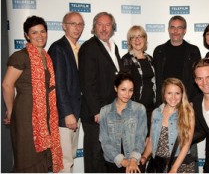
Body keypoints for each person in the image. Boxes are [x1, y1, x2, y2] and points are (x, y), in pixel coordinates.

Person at [2, 15, 63, 172]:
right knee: (28, 156)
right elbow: (7, 85)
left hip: (45, 114)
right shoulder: (20, 56)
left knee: (42, 156)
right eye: (34, 32)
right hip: (26, 113)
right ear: (26, 35)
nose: (40, 36)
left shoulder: (46, 57)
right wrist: (10, 111)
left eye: (43, 31)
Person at [78, 11, 122, 172]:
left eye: (108, 25)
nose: (104, 28)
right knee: (95, 155)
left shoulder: (113, 46)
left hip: (112, 111)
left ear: (112, 27)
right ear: (94, 26)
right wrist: (97, 111)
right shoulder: (89, 48)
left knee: (108, 155)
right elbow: (87, 83)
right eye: (100, 24)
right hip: (96, 114)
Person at [48, 12, 84, 172]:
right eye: (72, 24)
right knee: (64, 160)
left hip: (76, 113)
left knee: (70, 157)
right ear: (64, 26)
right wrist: (67, 113)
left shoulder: (78, 48)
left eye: (80, 24)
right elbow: (58, 85)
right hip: (65, 116)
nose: (77, 28)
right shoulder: (58, 48)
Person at [141, 78, 195, 173]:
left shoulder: (188, 113)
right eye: (169, 93)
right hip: (158, 166)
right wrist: (144, 157)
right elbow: (152, 140)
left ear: (182, 94)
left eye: (177, 93)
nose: (173, 97)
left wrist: (174, 168)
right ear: (164, 94)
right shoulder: (156, 113)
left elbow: (186, 144)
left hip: (180, 165)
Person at [99, 72, 147, 173]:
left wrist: (133, 160)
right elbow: (105, 141)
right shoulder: (105, 111)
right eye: (123, 89)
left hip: (134, 163)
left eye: (131, 90)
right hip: (113, 162)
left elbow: (140, 137)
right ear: (116, 88)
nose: (127, 94)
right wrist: (122, 161)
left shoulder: (139, 109)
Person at [153, 15, 201, 105]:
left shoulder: (193, 51)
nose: (175, 31)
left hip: (185, 101)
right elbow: (156, 80)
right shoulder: (159, 51)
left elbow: (197, 78)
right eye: (172, 27)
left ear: (184, 31)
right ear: (168, 30)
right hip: (164, 102)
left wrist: (193, 101)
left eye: (179, 28)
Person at [122, 25, 156, 137]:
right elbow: (124, 86)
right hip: (134, 110)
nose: (137, 40)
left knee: (149, 144)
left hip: (152, 109)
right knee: (135, 145)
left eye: (140, 36)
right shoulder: (126, 60)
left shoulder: (150, 59)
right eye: (133, 37)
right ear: (130, 41)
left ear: (145, 39)